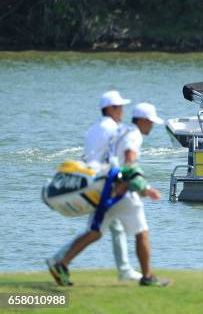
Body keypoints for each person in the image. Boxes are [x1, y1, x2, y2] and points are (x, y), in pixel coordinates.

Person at [47, 103, 166, 287]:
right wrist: (142, 186)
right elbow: (130, 157)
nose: (152, 126)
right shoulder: (133, 135)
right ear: (142, 120)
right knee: (141, 233)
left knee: (94, 232)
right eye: (150, 122)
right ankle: (147, 277)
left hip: (105, 190)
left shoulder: (120, 131)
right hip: (122, 193)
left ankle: (61, 264)